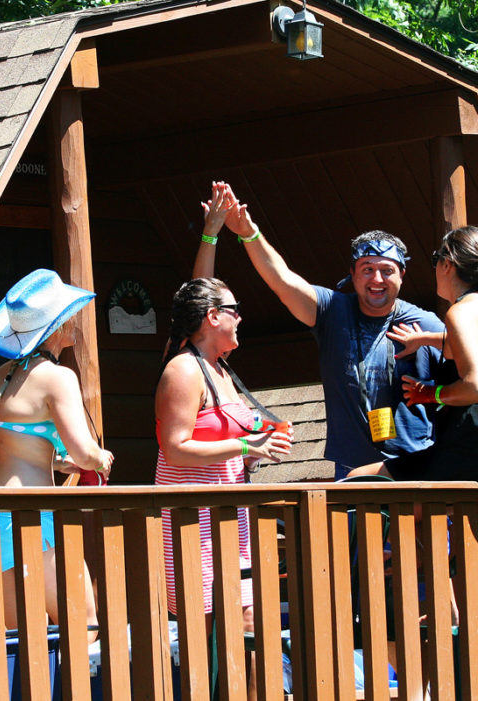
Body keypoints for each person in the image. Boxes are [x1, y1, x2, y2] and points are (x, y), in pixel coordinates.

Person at [224, 192, 445, 479]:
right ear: (353, 274)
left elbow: (473, 372)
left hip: (413, 465)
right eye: (367, 270)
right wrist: (249, 234)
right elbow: (282, 280)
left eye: (387, 271)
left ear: (402, 275)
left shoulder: (426, 323)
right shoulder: (332, 311)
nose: (377, 280)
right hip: (352, 467)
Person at [155, 187, 293, 626]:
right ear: (214, 317)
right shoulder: (183, 367)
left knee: (250, 628)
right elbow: (175, 449)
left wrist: (257, 441)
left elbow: (203, 297)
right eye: (234, 310)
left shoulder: (220, 368)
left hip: (231, 522)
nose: (240, 316)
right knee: (210, 635)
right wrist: (246, 447)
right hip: (192, 525)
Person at [0, 268, 114, 635]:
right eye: (68, 315)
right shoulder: (57, 377)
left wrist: (54, 460)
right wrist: (101, 459)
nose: (73, 321)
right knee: (83, 624)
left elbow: (10, 442)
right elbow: (86, 453)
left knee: (18, 637)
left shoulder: (3, 373)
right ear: (55, 326)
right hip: (28, 517)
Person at [350, 226, 478, 484]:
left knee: (360, 480)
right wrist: (423, 339)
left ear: (448, 264)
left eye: (435, 260)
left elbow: (477, 388)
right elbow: (473, 348)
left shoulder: (461, 312)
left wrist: (431, 394)